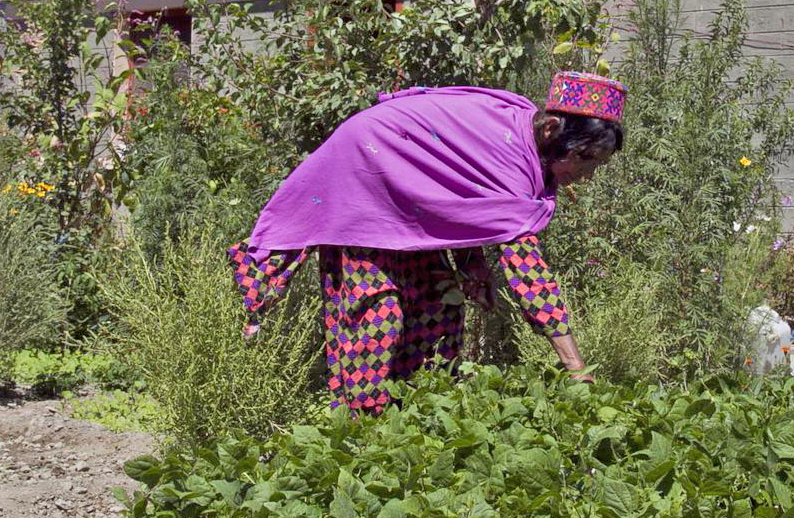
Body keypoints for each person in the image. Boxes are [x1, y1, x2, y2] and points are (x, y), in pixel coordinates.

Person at [229, 71, 625, 414]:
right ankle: (359, 435)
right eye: (583, 159)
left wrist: (473, 267)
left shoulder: (522, 141)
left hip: (413, 202)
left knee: (438, 305)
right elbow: (530, 276)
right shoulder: (509, 153)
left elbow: (462, 201)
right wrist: (576, 368)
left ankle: (419, 419)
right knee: (378, 317)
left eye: (596, 166)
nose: (586, 174)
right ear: (552, 129)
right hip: (365, 181)